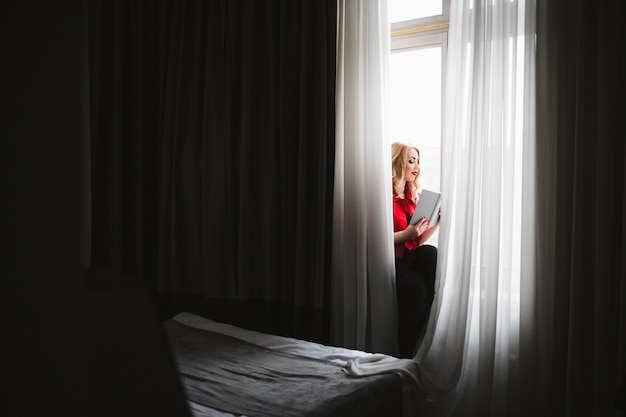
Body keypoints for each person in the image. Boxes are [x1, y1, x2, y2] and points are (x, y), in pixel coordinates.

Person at [391, 141, 439, 358]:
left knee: (417, 288)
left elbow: (416, 241)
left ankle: (406, 355)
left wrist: (436, 224)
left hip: (410, 261)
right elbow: (375, 239)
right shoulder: (384, 198)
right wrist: (408, 234)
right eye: (411, 161)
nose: (416, 166)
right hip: (393, 263)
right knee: (428, 256)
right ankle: (404, 354)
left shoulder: (413, 197)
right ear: (398, 163)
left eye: (418, 161)